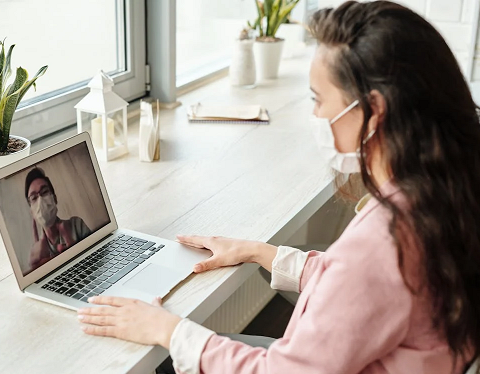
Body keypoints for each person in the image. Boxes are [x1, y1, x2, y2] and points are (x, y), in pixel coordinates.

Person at [76, 1, 480, 373]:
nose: (315, 114)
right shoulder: (441, 193)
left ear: (373, 113)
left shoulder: (384, 240)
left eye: (319, 100)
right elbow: (363, 291)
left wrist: (168, 330)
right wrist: (260, 252)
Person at [25, 168, 91, 271]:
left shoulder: (76, 225)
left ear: (54, 198)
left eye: (45, 192)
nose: (40, 200)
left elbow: (98, 260)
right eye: (34, 198)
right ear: (32, 212)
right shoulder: (36, 253)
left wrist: (76, 254)